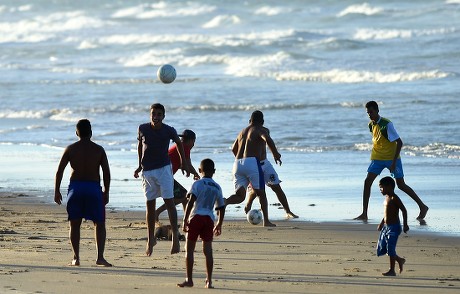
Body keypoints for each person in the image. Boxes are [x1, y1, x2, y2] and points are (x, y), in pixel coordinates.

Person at [355, 101, 429, 221]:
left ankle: (422, 206)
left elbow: (399, 143)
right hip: (377, 158)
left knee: (401, 185)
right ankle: (364, 213)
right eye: (368, 113)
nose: (370, 115)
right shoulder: (371, 125)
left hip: (391, 158)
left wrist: (394, 162)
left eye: (371, 112)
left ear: (377, 111)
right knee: (367, 182)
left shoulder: (387, 124)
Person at [134, 103, 191, 256]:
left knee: (170, 202)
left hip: (164, 170)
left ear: (163, 116)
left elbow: (179, 143)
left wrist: (184, 163)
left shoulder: (169, 130)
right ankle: (150, 239)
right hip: (147, 171)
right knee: (149, 205)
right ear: (150, 115)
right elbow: (140, 145)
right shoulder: (143, 128)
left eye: (159, 114)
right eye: (154, 113)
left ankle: (175, 240)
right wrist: (139, 165)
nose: (156, 117)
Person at [54, 119, 112, 267]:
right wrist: (106, 191)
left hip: (76, 188)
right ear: (91, 132)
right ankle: (100, 257)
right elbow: (106, 172)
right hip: (93, 188)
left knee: (75, 224)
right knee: (99, 223)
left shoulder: (70, 149)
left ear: (76, 132)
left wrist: (56, 191)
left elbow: (59, 171)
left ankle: (76, 258)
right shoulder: (99, 150)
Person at [225, 110, 281, 227]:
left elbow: (233, 148)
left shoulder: (242, 132)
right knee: (261, 193)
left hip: (237, 163)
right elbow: (267, 139)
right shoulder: (261, 129)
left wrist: (243, 161)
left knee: (240, 196)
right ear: (262, 122)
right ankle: (266, 221)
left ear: (249, 120)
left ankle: (224, 202)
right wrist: (275, 153)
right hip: (252, 163)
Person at [178, 158, 225, 289]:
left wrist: (185, 219)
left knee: (189, 249)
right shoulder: (217, 187)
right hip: (209, 219)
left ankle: (189, 279)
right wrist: (219, 224)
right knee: (208, 251)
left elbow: (191, 201)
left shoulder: (197, 184)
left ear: (199, 170)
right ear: (214, 171)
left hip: (196, 217)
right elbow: (221, 207)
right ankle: (209, 281)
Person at [244, 127, 298, 219]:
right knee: (256, 190)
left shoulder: (264, 130)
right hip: (253, 165)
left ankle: (288, 211)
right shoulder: (246, 132)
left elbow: (267, 139)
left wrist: (274, 153)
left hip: (265, 163)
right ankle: (248, 206)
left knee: (277, 187)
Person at [155, 129, 200, 223]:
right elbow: (188, 164)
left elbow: (178, 162)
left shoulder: (178, 146)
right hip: (164, 176)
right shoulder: (185, 147)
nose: (193, 145)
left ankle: (187, 220)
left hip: (161, 174)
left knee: (184, 196)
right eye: (193, 142)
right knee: (183, 196)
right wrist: (196, 173)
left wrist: (186, 169)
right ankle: (157, 212)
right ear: (191, 140)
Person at [376, 176, 409, 276]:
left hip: (394, 227)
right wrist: (382, 223)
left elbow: (404, 210)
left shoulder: (395, 198)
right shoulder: (386, 198)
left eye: (382, 187)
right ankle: (399, 260)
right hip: (386, 227)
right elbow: (387, 213)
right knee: (384, 248)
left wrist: (405, 224)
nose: (380, 190)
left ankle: (392, 270)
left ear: (389, 186)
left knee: (391, 248)